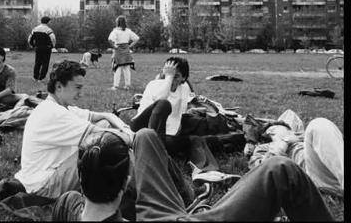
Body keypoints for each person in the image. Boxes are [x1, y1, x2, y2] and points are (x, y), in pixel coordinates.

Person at [52, 128, 334, 221]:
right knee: (280, 170)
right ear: (127, 181)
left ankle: (185, 201)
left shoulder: (68, 203)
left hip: (144, 212)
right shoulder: (68, 202)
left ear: (82, 175)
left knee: (146, 135)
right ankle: (186, 208)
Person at [14, 60, 134, 199]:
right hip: (44, 185)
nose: (81, 94)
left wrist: (126, 129)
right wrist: (133, 138)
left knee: (103, 126)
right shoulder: (54, 113)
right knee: (106, 149)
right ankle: (140, 188)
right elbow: (106, 137)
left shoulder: (61, 107)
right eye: (77, 87)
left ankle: (132, 183)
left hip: (48, 173)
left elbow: (105, 116)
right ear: (59, 87)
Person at [130, 57, 237, 183]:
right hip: (144, 131)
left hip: (170, 135)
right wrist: (168, 78)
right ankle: (155, 155)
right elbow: (161, 101)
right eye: (168, 74)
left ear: (184, 78)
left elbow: (180, 112)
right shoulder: (155, 85)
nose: (171, 79)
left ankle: (205, 172)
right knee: (164, 104)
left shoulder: (184, 87)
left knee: (196, 138)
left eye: (176, 76)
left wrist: (206, 109)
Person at [246, 109, 344, 197]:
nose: (271, 132)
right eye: (271, 131)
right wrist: (283, 142)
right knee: (319, 123)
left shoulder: (305, 137)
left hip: (334, 168)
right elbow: (262, 172)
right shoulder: (264, 148)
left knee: (322, 127)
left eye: (277, 129)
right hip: (315, 175)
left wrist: (299, 138)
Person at [107, 15, 139, 91]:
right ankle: (127, 85)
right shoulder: (128, 31)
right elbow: (137, 39)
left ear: (117, 23)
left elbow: (110, 40)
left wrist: (115, 47)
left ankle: (116, 86)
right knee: (127, 68)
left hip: (118, 51)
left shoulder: (115, 31)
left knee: (118, 68)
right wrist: (130, 46)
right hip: (127, 50)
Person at [28, 16, 56, 83]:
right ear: (48, 22)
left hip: (38, 48)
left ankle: (35, 77)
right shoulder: (48, 30)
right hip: (46, 48)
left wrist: (32, 45)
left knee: (37, 63)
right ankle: (41, 78)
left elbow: (29, 38)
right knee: (45, 63)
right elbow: (53, 38)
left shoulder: (35, 29)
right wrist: (53, 46)